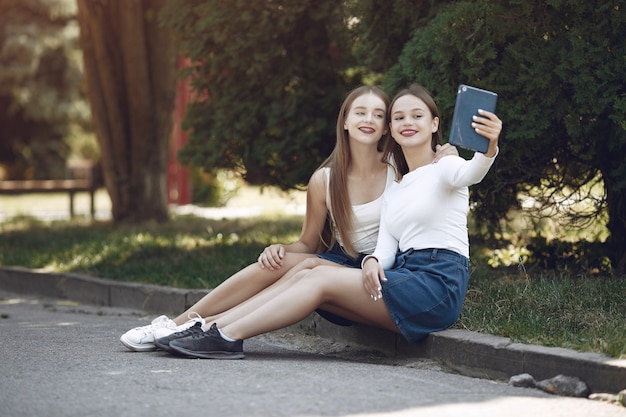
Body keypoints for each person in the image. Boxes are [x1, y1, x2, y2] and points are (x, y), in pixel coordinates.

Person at [158, 83, 502, 359]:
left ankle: (226, 335)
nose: (407, 123)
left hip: (438, 283)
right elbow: (386, 248)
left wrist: (488, 147)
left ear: (434, 124)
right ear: (391, 130)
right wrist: (370, 262)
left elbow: (473, 172)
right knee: (310, 269)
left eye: (417, 116)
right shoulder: (395, 186)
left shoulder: (447, 167)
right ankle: (211, 327)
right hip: (403, 274)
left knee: (319, 276)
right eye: (399, 118)